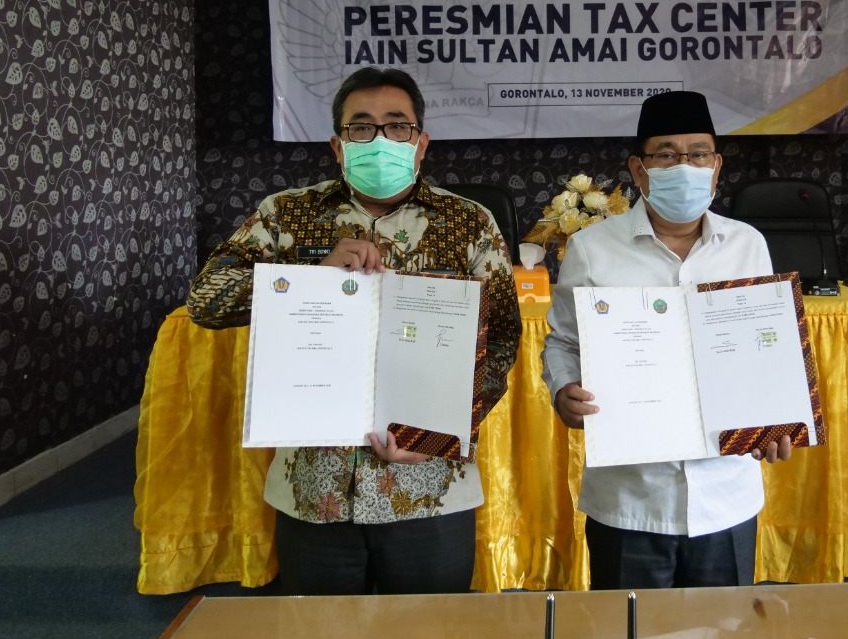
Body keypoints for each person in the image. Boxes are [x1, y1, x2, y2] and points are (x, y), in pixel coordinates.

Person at [187, 66, 522, 595]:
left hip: (428, 488)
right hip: (314, 488)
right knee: (321, 627)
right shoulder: (287, 214)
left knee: (428, 629)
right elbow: (205, 301)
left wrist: (436, 437)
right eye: (361, 127)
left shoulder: (470, 223)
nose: (380, 139)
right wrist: (310, 278)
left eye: (397, 126)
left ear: (421, 142)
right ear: (337, 145)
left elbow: (501, 340)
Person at [540, 90, 792, 590]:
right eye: (667, 155)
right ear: (639, 169)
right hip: (630, 499)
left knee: (723, 625)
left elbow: (768, 346)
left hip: (725, 495)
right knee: (626, 624)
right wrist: (563, 389)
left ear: (716, 167)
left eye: (698, 154)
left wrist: (776, 415)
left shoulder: (748, 245)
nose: (685, 166)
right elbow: (563, 342)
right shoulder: (592, 249)